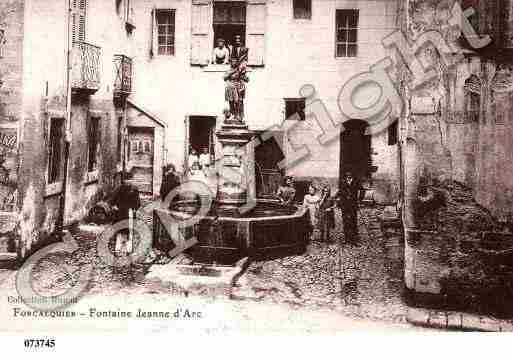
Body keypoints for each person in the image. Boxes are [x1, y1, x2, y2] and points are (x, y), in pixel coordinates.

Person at [110, 168, 141, 257]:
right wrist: (115, 207)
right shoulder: (119, 189)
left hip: (129, 212)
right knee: (120, 231)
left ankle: (128, 249)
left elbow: (137, 202)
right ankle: (117, 249)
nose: (129, 182)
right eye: (127, 180)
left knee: (129, 231)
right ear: (124, 181)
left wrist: (135, 209)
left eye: (130, 180)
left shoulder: (134, 190)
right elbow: (113, 200)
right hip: (121, 213)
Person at [335, 171, 364, 245]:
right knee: (345, 221)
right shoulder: (343, 182)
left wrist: (360, 199)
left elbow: (362, 190)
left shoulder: (356, 182)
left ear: (352, 176)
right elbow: (340, 191)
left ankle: (354, 240)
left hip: (353, 205)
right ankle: (347, 239)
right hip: (344, 205)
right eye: (347, 176)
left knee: (353, 221)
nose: (348, 178)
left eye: (349, 177)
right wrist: (336, 198)